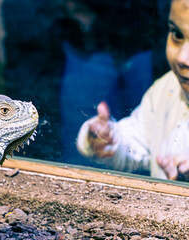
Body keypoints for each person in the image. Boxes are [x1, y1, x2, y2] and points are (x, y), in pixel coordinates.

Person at [76, 0, 189, 181]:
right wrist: (109, 139)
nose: (183, 58)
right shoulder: (167, 88)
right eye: (177, 34)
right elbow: (138, 140)